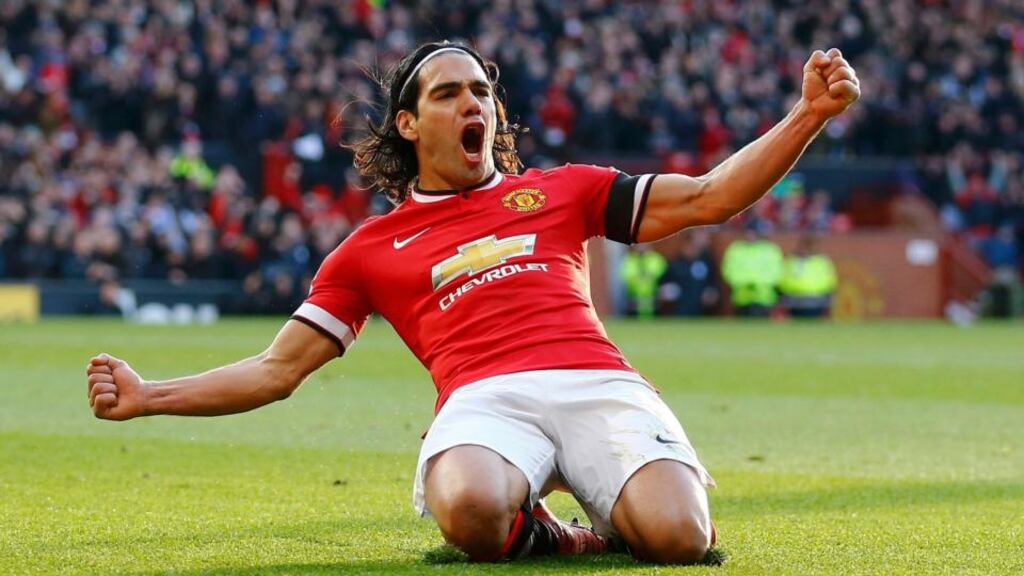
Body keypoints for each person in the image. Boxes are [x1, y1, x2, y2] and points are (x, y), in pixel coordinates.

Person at [85, 41, 860, 564]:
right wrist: (150, 395)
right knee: (470, 511)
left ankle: (613, 503)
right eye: (450, 93)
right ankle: (564, 538)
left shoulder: (563, 189)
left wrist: (809, 116)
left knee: (681, 538)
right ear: (408, 122)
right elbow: (275, 370)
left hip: (597, 381)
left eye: (482, 92)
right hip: (483, 398)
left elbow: (710, 197)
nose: (473, 104)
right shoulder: (366, 250)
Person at [721, 221, 785, 317]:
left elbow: (776, 273)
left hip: (764, 298)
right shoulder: (736, 249)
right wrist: (746, 283)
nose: (750, 235)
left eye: (753, 232)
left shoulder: (770, 250)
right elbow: (729, 271)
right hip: (741, 297)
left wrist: (756, 283)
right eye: (749, 232)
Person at [779, 234, 838, 318]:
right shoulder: (791, 261)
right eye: (803, 246)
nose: (805, 249)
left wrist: (830, 299)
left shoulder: (821, 262)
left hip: (816, 301)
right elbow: (782, 280)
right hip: (793, 300)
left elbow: (830, 283)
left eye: (808, 246)